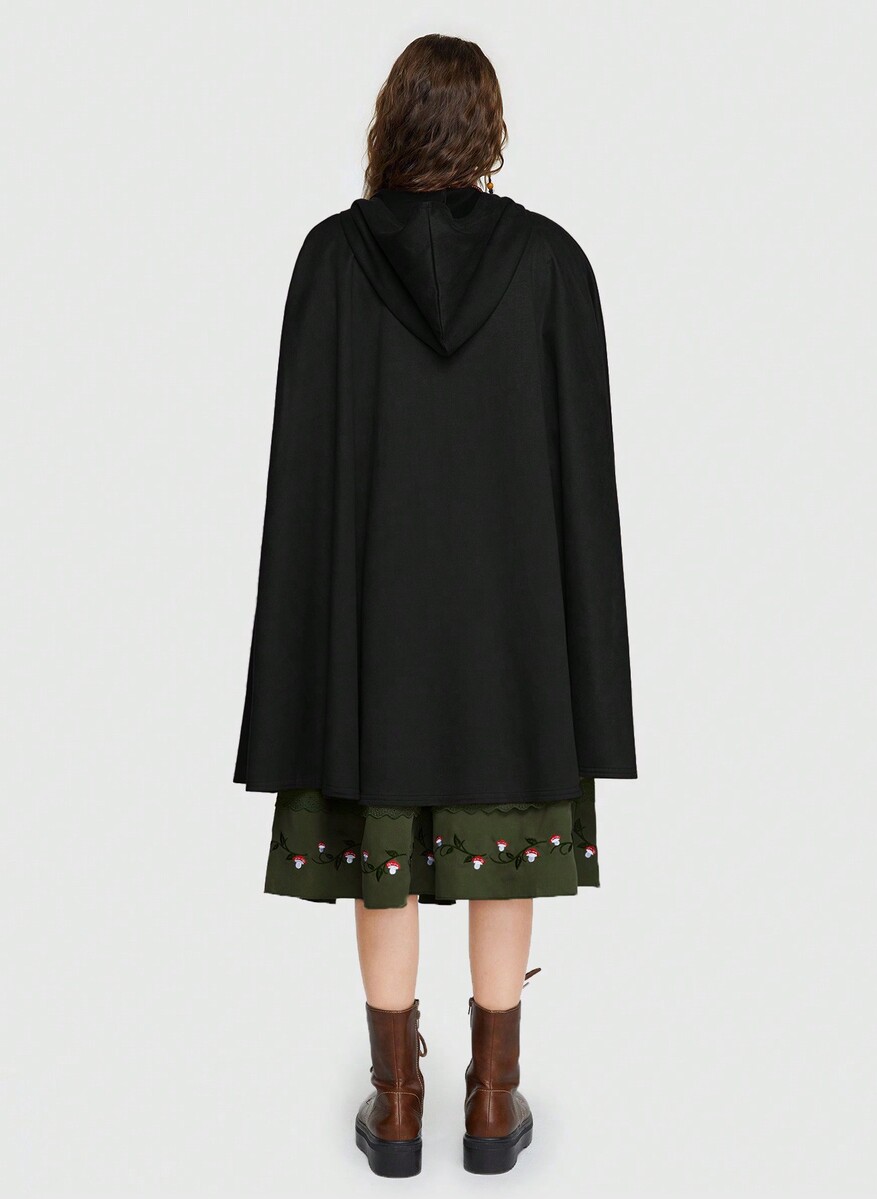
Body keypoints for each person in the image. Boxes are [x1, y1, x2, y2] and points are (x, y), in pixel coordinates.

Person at [233, 33, 637, 1177]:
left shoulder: (330, 261)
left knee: (384, 847)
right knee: (506, 842)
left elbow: (303, 483)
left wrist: (306, 660)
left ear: (391, 121)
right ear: (488, 131)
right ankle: (494, 1100)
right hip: (515, 631)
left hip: (378, 632)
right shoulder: (553, 265)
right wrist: (584, 661)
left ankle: (398, 1101)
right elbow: (584, 482)